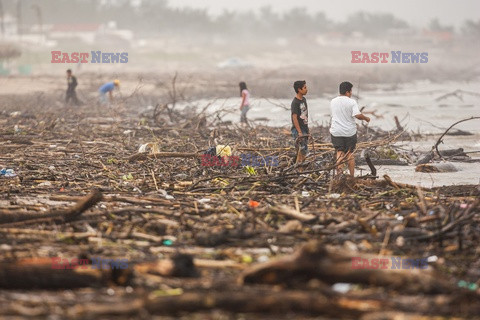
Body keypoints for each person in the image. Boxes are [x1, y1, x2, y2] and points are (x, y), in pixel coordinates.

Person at [329, 81, 370, 177]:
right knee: (349, 154)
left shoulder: (333, 101)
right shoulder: (352, 102)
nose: (351, 93)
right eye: (351, 91)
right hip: (349, 132)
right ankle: (352, 177)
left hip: (336, 132)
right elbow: (357, 115)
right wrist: (366, 118)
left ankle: (339, 175)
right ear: (348, 91)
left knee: (339, 152)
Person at [291, 80, 309, 164]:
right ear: (299, 89)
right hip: (298, 130)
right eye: (304, 88)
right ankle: (299, 169)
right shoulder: (295, 103)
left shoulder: (303, 99)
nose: (307, 89)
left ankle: (301, 168)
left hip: (304, 128)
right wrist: (299, 132)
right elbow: (294, 118)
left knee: (304, 150)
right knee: (301, 150)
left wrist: (307, 130)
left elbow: (305, 115)